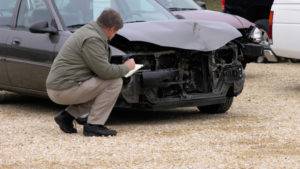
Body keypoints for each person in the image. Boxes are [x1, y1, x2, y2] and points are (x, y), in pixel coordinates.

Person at [46, 9, 135, 137]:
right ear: (111, 29)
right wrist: (126, 68)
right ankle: (94, 125)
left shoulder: (88, 30)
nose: (115, 34)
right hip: (63, 90)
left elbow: (99, 69)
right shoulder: (93, 39)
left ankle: (67, 116)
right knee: (114, 82)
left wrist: (119, 70)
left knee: (104, 86)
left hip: (61, 86)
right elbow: (104, 72)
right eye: (116, 31)